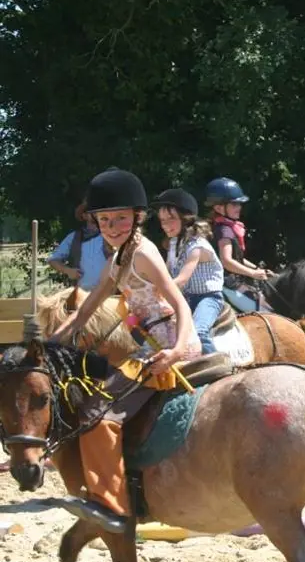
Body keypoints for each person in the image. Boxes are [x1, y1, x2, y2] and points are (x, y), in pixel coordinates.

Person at [49, 167, 201, 533]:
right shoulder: (118, 256)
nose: (112, 226)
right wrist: (52, 342)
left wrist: (177, 350)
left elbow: (179, 304)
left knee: (98, 415)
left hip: (165, 348)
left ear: (137, 217)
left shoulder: (143, 253)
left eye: (120, 218)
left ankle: (110, 504)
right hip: (148, 347)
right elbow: (87, 308)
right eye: (104, 220)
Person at [152, 188, 224, 354]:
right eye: (162, 220)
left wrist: (159, 289)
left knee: (198, 332)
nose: (165, 225)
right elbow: (165, 273)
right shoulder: (172, 245)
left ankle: (217, 368)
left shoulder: (197, 245)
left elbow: (182, 279)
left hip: (208, 297)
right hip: (185, 298)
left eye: (171, 219)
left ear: (186, 219)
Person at [204, 176, 268, 313]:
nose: (239, 207)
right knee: (265, 312)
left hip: (234, 283)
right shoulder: (224, 230)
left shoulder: (228, 227)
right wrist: (252, 273)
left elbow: (237, 257)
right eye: (234, 204)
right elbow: (227, 261)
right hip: (226, 285)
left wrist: (257, 268)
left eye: (239, 204)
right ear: (219, 208)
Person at [46, 199, 111, 290]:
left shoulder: (113, 235)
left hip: (110, 295)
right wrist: (67, 270)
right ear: (84, 215)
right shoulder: (73, 237)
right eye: (92, 210)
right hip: (81, 296)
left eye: (99, 210)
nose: (96, 213)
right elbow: (53, 260)